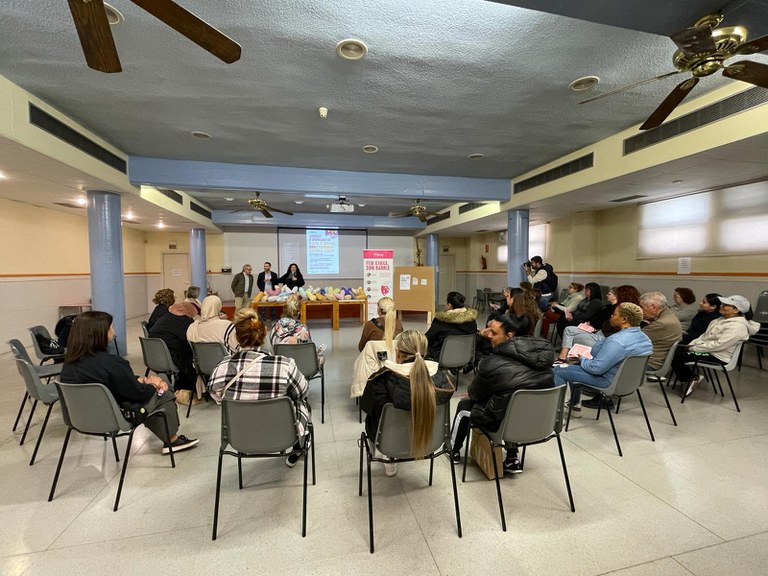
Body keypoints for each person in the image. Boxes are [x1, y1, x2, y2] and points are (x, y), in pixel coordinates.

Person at [60, 311, 199, 454]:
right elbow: (139, 394)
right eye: (111, 327)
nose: (113, 331)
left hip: (79, 419)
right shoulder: (113, 363)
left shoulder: (69, 365)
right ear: (99, 333)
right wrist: (153, 384)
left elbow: (112, 382)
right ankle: (172, 440)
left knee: (160, 388)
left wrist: (139, 380)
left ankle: (169, 434)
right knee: (163, 391)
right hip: (118, 417)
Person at [450, 314, 554, 474]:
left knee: (464, 406)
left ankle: (453, 450)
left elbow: (474, 394)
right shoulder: (543, 359)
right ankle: (512, 458)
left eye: (493, 332)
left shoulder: (491, 363)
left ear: (509, 335)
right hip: (540, 424)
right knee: (513, 403)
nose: (489, 336)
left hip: (504, 425)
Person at [207, 309, 311, 467]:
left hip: (240, 436)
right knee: (301, 403)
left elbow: (217, 397)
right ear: (264, 334)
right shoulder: (284, 365)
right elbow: (303, 391)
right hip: (283, 435)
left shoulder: (222, 367)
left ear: (237, 336)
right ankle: (298, 448)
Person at [360, 330, 454, 476]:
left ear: (398, 353)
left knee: (376, 416)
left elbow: (367, 407)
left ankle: (389, 458)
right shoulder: (442, 379)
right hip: (431, 440)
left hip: (389, 443)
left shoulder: (380, 380)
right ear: (424, 352)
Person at [554, 302, 652, 417]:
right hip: (630, 383)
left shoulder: (617, 341)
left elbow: (595, 369)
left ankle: (556, 415)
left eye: (614, 314)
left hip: (608, 381)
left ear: (624, 319)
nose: (611, 316)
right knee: (575, 367)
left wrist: (582, 358)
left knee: (558, 370)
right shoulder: (646, 340)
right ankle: (574, 406)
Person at [671, 295, 759, 397]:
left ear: (736, 310)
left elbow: (719, 345)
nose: (721, 306)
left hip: (718, 356)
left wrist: (694, 347)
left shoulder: (738, 326)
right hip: (709, 350)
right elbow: (704, 337)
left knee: (678, 357)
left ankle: (691, 379)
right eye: (722, 304)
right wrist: (692, 344)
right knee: (675, 350)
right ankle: (689, 378)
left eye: (725, 305)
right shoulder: (719, 320)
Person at [554, 284, 641, 364]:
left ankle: (574, 358)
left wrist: (596, 325)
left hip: (604, 336)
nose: (607, 295)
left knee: (575, 335)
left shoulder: (621, 311)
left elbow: (607, 326)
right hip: (601, 332)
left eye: (610, 294)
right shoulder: (616, 309)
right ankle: (567, 358)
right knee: (568, 328)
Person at [148, 302, 198, 404]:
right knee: (190, 357)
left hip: (154, 357)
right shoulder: (186, 322)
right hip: (173, 358)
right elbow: (189, 343)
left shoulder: (163, 318)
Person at [269, 295, 325, 365]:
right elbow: (309, 349)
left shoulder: (274, 328)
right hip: (301, 366)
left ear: (284, 311)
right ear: (298, 313)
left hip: (281, 365)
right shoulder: (303, 329)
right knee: (321, 358)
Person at [425, 291, 478, 361]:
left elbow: (429, 338)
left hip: (441, 357)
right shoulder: (471, 320)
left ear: (449, 305)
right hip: (465, 357)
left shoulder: (441, 320)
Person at [639, 291, 683, 370]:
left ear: (653, 307)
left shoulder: (661, 323)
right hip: (656, 360)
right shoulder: (669, 315)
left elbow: (633, 340)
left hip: (649, 363)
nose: (641, 311)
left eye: (642, 307)